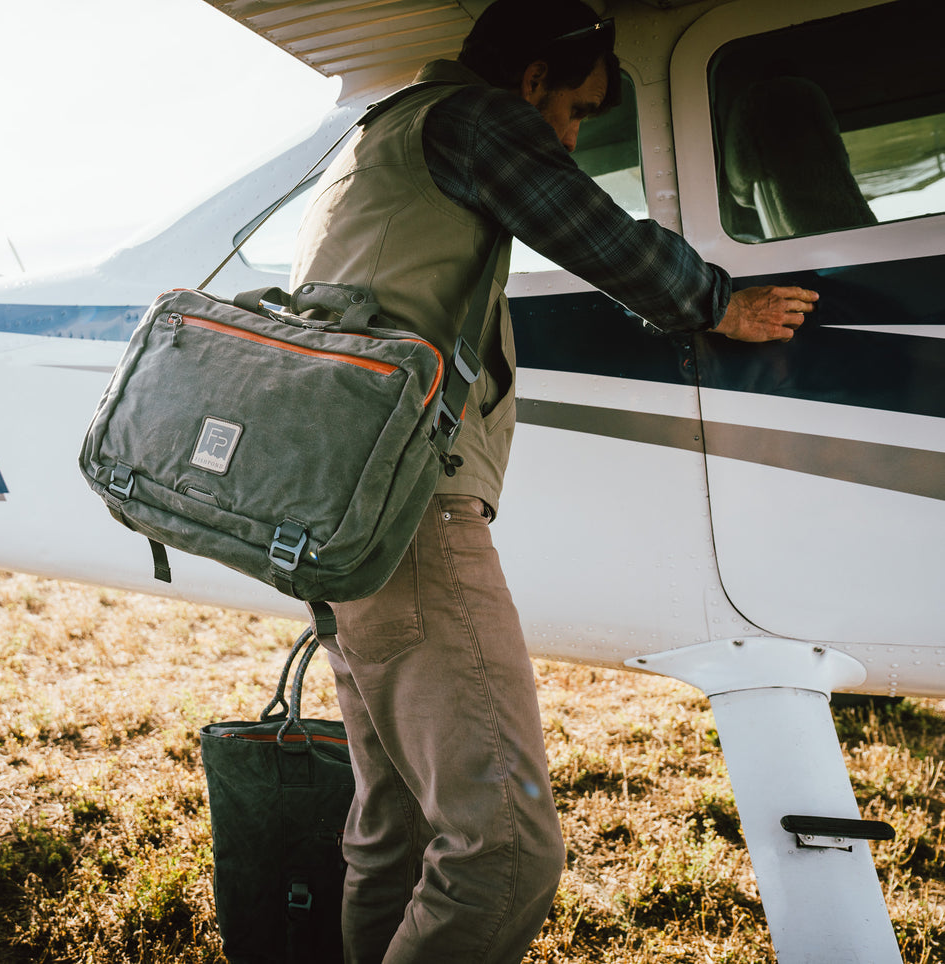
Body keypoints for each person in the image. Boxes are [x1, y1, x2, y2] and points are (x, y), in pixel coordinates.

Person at [289, 1, 818, 961]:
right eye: (574, 111)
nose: (572, 136)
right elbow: (590, 229)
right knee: (504, 851)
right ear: (530, 80)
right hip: (407, 508)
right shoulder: (477, 118)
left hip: (338, 510)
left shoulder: (388, 127)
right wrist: (715, 303)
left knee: (399, 832)